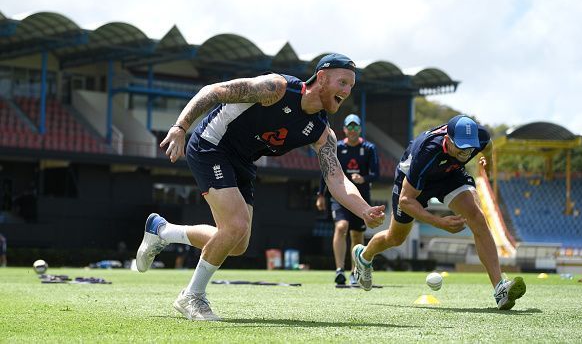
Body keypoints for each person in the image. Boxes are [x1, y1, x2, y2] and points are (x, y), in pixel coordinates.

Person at [135, 53, 386, 321]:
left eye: (351, 86)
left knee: (236, 244)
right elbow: (213, 92)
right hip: (211, 145)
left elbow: (337, 179)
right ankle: (191, 296)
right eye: (343, 82)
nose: (347, 92)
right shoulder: (276, 88)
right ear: (322, 78)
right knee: (236, 226)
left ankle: (163, 231)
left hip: (242, 162)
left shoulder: (321, 131)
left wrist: (365, 210)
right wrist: (180, 126)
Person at [352, 115, 526, 310]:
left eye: (470, 147)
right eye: (460, 146)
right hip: (413, 185)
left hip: (450, 175)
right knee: (395, 238)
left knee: (477, 217)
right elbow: (406, 200)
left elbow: (488, 146)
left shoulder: (478, 137)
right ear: (448, 140)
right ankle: (364, 256)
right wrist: (439, 222)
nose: (466, 152)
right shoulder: (426, 152)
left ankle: (499, 289)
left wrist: (490, 164)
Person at [316, 114, 379, 285]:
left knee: (357, 235)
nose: (352, 130)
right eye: (349, 127)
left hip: (361, 199)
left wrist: (363, 179)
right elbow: (327, 171)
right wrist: (320, 194)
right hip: (340, 197)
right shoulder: (337, 147)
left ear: (360, 129)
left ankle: (354, 272)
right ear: (344, 129)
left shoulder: (368, 148)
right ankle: (339, 270)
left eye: (355, 127)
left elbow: (376, 174)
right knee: (341, 227)